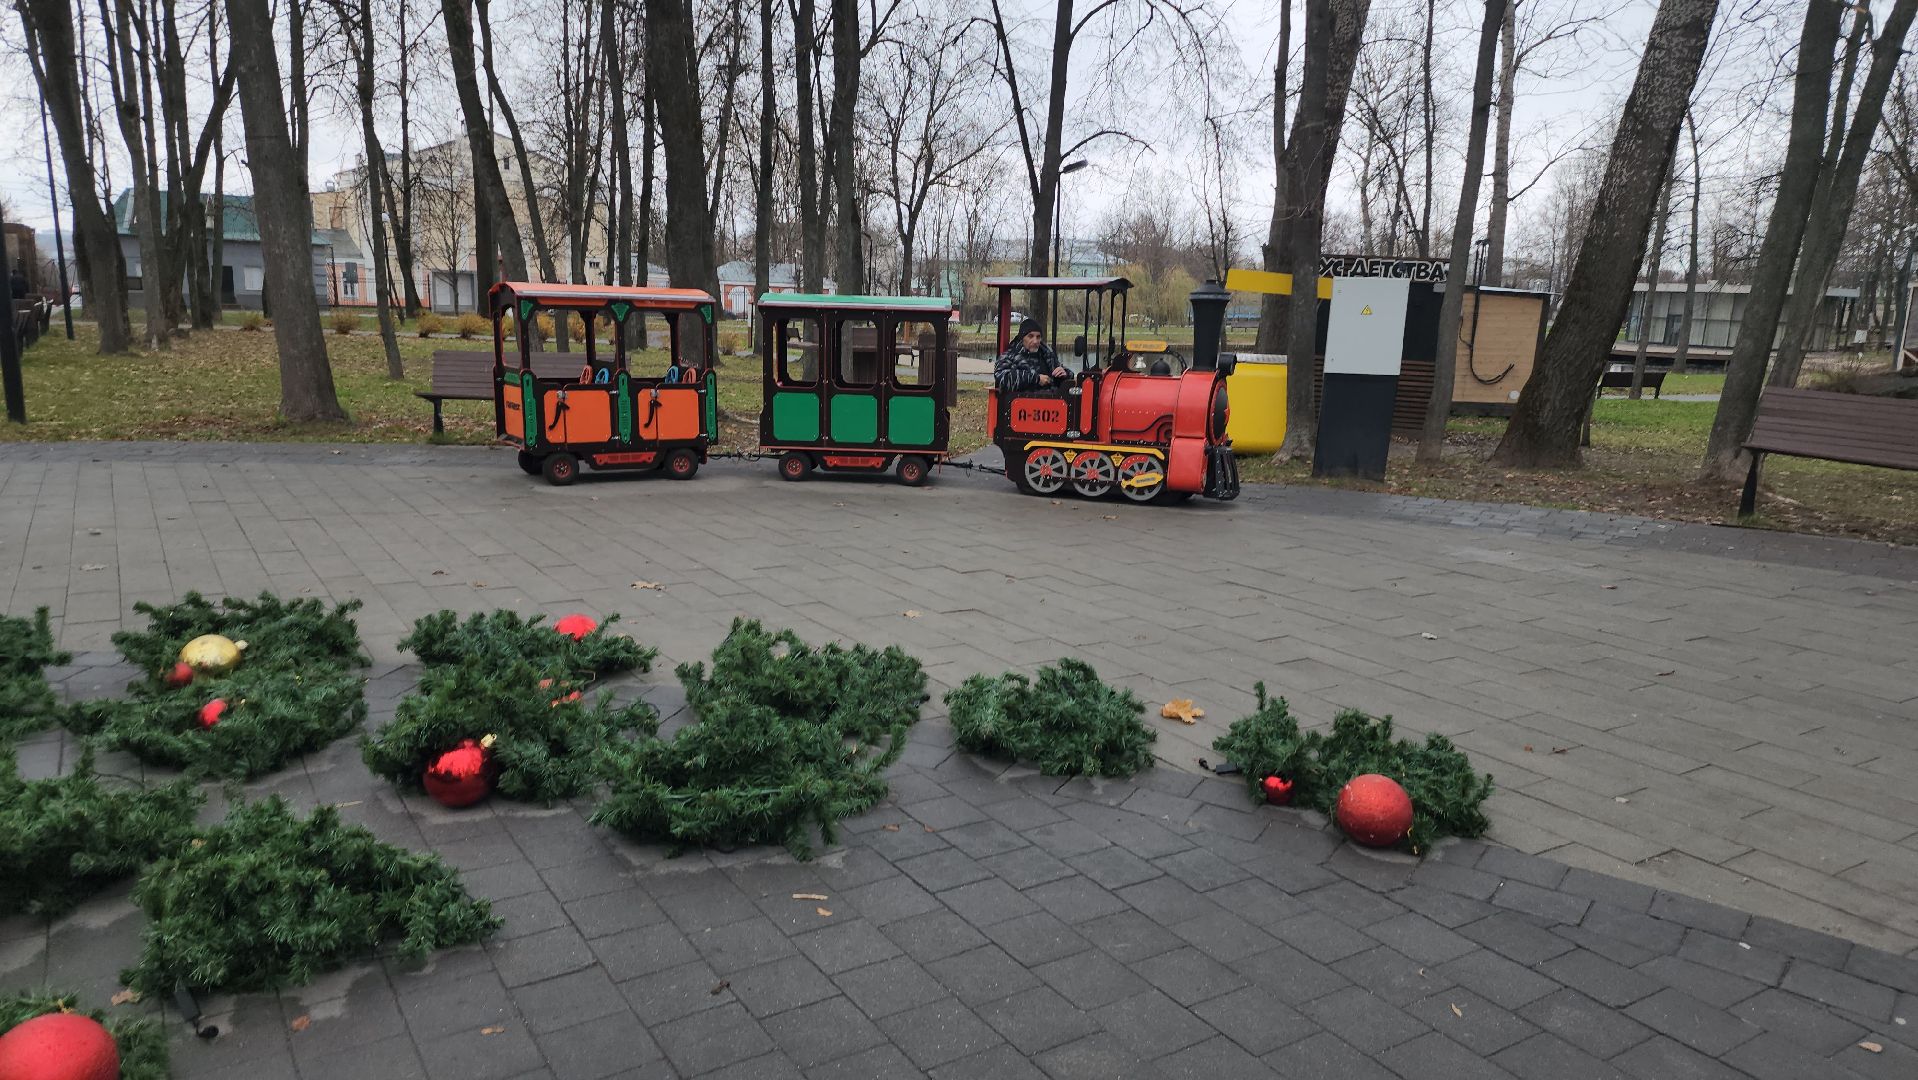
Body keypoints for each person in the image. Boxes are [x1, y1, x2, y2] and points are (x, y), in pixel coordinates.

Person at [994, 317, 1071, 392]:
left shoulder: (1047, 355)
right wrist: (1035, 379)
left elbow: (1068, 375)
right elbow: (1001, 379)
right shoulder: (1010, 356)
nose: (1035, 341)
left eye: (1038, 337)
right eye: (1030, 336)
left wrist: (1065, 374)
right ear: (1022, 338)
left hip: (1053, 400)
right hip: (1021, 402)